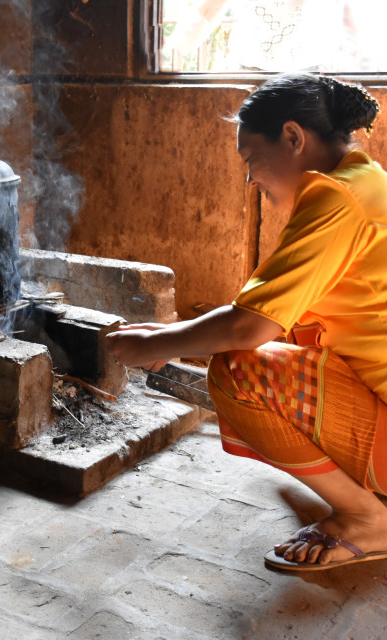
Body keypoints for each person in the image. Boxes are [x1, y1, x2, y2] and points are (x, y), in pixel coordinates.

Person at [106, 73, 387, 572]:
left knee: (237, 371)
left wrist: (156, 346)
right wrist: (166, 336)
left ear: (294, 138)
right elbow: (263, 312)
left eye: (252, 159)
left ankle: (368, 518)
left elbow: (246, 329)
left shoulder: (336, 198)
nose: (251, 179)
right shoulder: (367, 183)